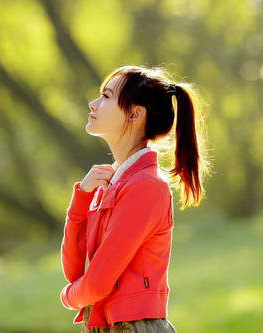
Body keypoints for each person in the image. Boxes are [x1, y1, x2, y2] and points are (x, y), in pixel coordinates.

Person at [60, 65, 211, 333]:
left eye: (106, 97)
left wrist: (67, 297)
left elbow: (94, 285)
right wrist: (82, 198)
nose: (93, 104)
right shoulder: (113, 183)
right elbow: (76, 272)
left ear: (135, 113)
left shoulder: (145, 186)